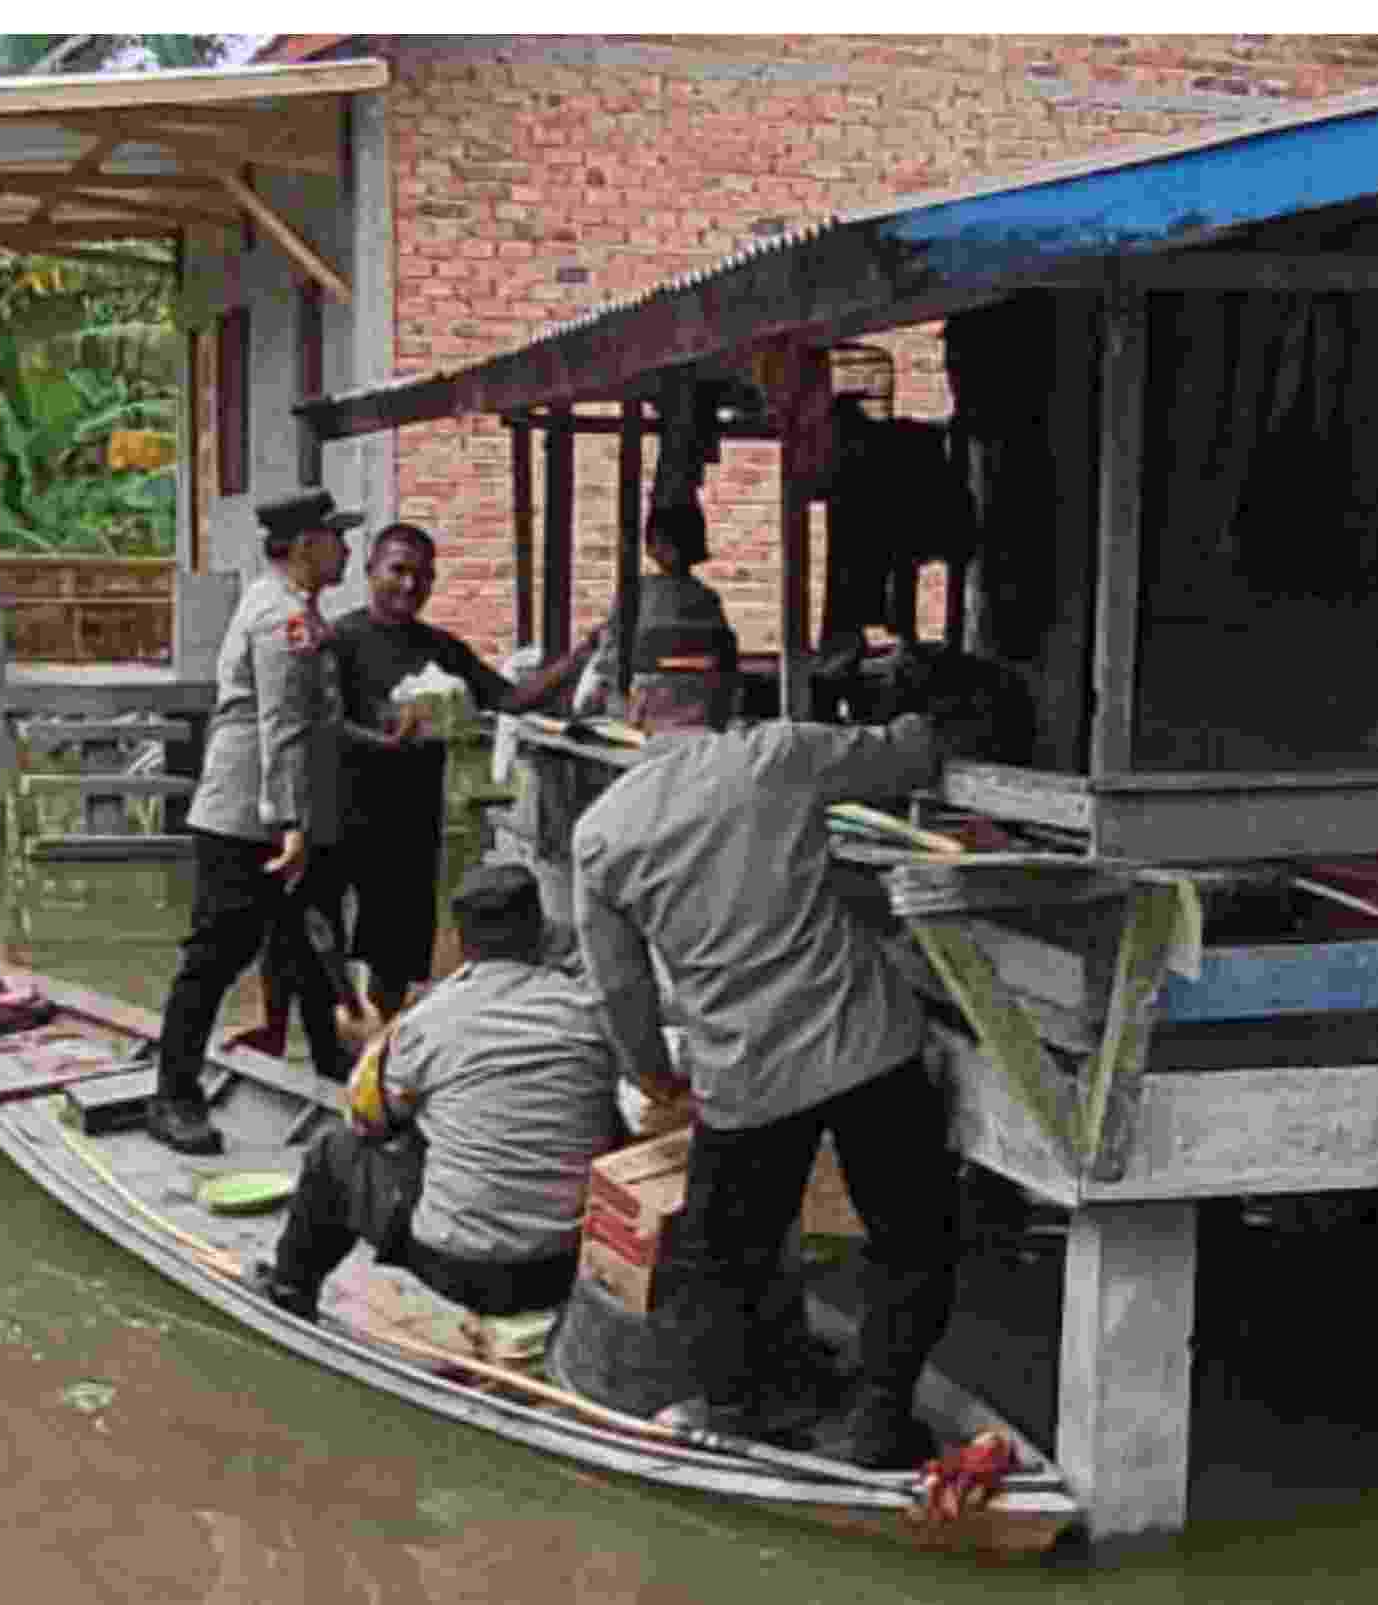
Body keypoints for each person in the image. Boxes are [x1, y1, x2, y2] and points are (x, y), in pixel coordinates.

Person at [568, 652, 994, 1468]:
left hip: (744, 1073)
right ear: (722, 698)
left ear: (637, 708)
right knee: (910, 1236)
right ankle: (878, 1415)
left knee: (724, 1255)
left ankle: (739, 1407)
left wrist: (654, 1073)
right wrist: (922, 700)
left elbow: (616, 987)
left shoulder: (601, 834)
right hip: (866, 1046)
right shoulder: (775, 753)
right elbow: (909, 752)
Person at [260, 858, 625, 1329]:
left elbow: (367, 1121)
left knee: (333, 1152)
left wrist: (374, 1047)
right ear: (540, 933)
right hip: (566, 1269)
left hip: (457, 1269)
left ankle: (289, 1291)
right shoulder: (591, 1011)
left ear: (460, 942)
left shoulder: (428, 1022)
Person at [151, 490, 360, 1156]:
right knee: (217, 955)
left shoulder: (298, 611)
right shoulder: (279, 618)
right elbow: (280, 729)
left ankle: (343, 1088)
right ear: (304, 546)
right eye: (336, 537)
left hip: (289, 815)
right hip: (251, 818)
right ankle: (173, 1095)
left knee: (315, 953)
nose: (346, 548)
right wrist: (290, 825)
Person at [317, 524, 599, 1017]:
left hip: (411, 812)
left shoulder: (440, 648)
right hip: (342, 805)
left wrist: (579, 658)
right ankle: (332, 1031)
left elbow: (510, 699)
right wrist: (379, 738)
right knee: (321, 929)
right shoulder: (340, 640)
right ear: (370, 571)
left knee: (395, 947)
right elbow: (321, 722)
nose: (410, 585)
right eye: (398, 571)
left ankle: (382, 1034)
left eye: (423, 576)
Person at [592, 493, 740, 719]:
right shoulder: (709, 599)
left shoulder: (634, 593)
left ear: (652, 547)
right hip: (700, 711)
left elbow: (608, 665)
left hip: (643, 712)